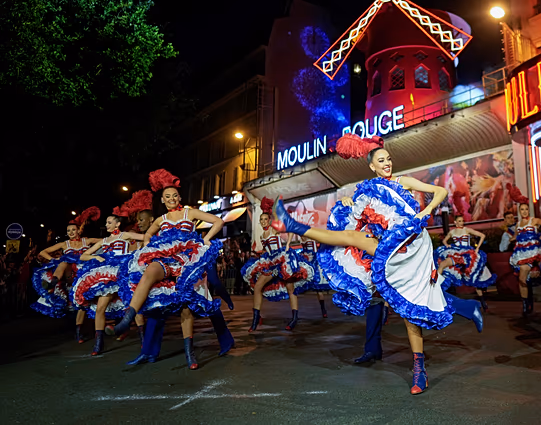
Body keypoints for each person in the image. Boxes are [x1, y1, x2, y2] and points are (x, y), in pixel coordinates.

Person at [272, 134, 483, 394]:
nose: (387, 163)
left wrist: (426, 211)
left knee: (409, 313)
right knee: (351, 238)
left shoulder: (400, 181)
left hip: (412, 245)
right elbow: (359, 217)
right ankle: (292, 225)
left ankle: (419, 371)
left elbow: (440, 191)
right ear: (371, 166)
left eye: (389, 159)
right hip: (388, 249)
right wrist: (348, 201)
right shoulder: (368, 189)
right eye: (381, 161)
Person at [110, 169, 228, 370]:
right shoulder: (160, 220)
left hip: (187, 261)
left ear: (179, 197)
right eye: (167, 197)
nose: (172, 199)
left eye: (175, 195)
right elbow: (147, 235)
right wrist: (148, 247)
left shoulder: (189, 212)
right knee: (149, 274)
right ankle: (128, 319)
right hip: (165, 260)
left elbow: (218, 221)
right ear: (163, 201)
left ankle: (190, 354)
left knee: (186, 306)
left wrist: (206, 239)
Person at [75, 208, 145, 356]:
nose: (106, 225)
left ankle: (144, 340)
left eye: (109, 222)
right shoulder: (104, 241)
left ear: (117, 224)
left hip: (124, 271)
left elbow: (146, 237)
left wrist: (137, 253)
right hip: (107, 275)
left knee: (133, 305)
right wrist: (97, 258)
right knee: (100, 308)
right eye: (106, 222)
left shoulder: (125, 235)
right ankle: (99, 343)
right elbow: (83, 256)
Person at [242, 197, 313, 332]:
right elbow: (266, 250)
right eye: (261, 220)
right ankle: (256, 318)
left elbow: (292, 228)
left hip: (282, 260)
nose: (263, 221)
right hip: (270, 263)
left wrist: (287, 246)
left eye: (265, 219)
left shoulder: (274, 230)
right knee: (257, 287)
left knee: (290, 288)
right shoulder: (262, 236)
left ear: (269, 220)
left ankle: (294, 318)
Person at [31, 207, 101, 342]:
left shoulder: (87, 241)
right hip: (69, 273)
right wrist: (54, 259)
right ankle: (52, 284)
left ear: (79, 230)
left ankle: (79, 332)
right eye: (68, 231)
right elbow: (42, 252)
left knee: (82, 303)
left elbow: (105, 241)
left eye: (73, 230)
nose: (71, 233)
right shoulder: (64, 244)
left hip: (84, 273)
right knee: (64, 261)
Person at [507, 185, 541, 317]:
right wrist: (512, 238)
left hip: (534, 252)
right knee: (522, 280)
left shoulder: (534, 220)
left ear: (529, 210)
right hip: (521, 253)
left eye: (526, 209)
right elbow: (517, 236)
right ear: (519, 211)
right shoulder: (518, 224)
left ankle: (528, 305)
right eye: (522, 210)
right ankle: (525, 304)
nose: (524, 211)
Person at [435, 214, 496, 311]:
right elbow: (444, 241)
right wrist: (447, 245)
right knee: (442, 265)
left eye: (462, 221)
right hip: (456, 253)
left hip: (467, 255)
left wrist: (477, 249)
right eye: (459, 221)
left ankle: (483, 302)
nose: (461, 223)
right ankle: (435, 289)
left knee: (475, 278)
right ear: (455, 222)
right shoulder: (452, 232)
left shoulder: (467, 230)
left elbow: (482, 235)